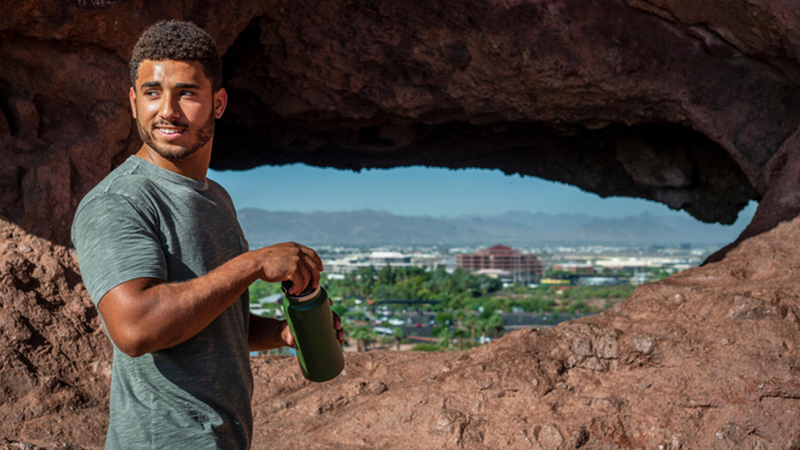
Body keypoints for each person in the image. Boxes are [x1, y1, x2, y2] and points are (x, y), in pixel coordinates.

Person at [71, 20, 343, 450]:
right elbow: (137, 328)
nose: (167, 110)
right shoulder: (117, 202)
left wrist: (280, 333)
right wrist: (251, 264)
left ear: (218, 103)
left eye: (187, 93)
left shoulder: (214, 197)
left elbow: (208, 317)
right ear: (132, 101)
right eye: (152, 93)